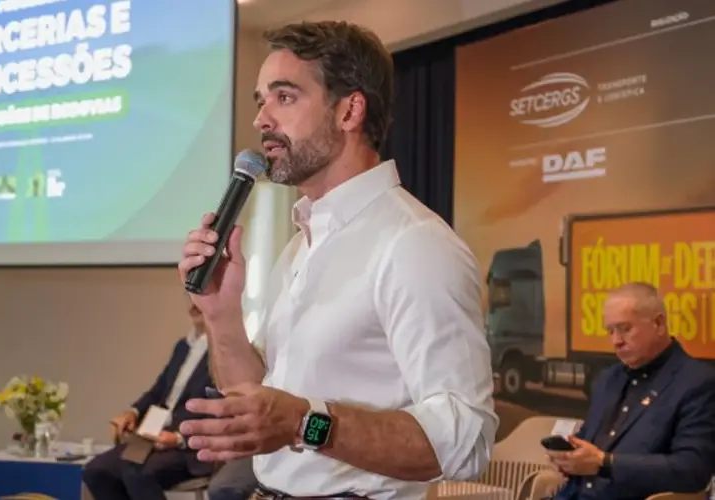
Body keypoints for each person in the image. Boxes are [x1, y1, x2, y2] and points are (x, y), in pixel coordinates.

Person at [175, 20, 497, 500]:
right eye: (261, 101)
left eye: (284, 97)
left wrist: (306, 422)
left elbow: (465, 442)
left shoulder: (414, 244)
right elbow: (263, 406)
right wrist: (220, 315)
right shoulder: (301, 246)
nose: (262, 120)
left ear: (349, 110)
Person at [550, 283, 715, 500]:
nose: (616, 341)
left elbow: (692, 470)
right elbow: (590, 440)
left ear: (659, 323)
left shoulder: (697, 382)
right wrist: (570, 458)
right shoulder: (608, 379)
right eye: (611, 331)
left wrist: (605, 463)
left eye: (625, 329)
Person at [82, 301, 215, 500]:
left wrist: (178, 438)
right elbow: (158, 391)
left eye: (201, 296)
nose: (193, 303)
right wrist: (132, 412)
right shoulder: (183, 347)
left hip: (189, 447)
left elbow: (222, 411)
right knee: (96, 471)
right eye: (190, 296)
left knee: (136, 473)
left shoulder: (225, 353)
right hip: (154, 437)